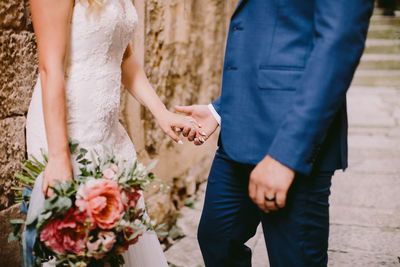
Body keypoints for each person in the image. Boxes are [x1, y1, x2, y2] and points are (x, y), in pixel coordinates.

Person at [176, 0, 375, 266]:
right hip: (241, 130)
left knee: (294, 259)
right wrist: (219, 109)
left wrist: (286, 157)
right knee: (217, 239)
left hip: (294, 138)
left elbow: (338, 46)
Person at [22, 0, 203, 266]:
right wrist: (59, 156)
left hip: (108, 134)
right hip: (67, 132)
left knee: (113, 244)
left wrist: (161, 113)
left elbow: (124, 56)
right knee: (72, 248)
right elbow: (51, 69)